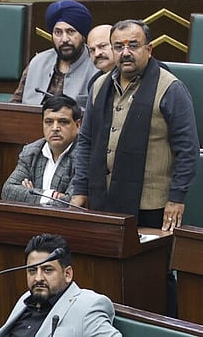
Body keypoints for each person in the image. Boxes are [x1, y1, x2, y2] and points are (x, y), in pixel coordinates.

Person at [71, 20, 198, 232]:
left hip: (150, 205)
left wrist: (176, 198)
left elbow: (188, 150)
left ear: (149, 49)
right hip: (102, 200)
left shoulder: (170, 88)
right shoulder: (99, 86)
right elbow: (86, 142)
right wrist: (80, 190)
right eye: (119, 46)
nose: (125, 52)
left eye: (133, 45)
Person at [0, 234, 121, 336]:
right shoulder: (25, 300)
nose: (38, 278)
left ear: (67, 274)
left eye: (47, 270)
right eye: (32, 270)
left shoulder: (88, 306)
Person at [11, 0, 95, 105]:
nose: (64, 39)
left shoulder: (96, 66)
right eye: (58, 32)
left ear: (83, 35)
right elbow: (15, 105)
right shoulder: (38, 62)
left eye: (70, 32)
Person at [2, 95, 81, 204]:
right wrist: (52, 195)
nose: (55, 128)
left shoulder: (84, 157)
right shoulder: (31, 152)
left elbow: (70, 203)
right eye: (49, 122)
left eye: (63, 122)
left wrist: (32, 193)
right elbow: (8, 191)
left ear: (77, 125)